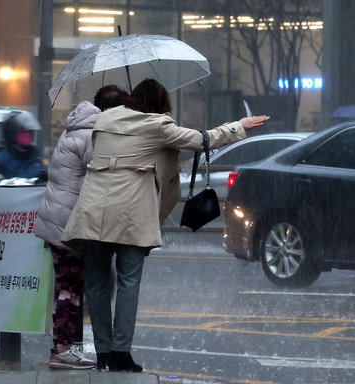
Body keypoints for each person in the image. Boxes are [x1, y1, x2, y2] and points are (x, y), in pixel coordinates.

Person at [61, 78, 268, 372]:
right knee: (128, 284)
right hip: (130, 215)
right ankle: (121, 352)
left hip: (93, 211)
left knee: (96, 285)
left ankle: (104, 353)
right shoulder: (158, 126)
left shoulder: (104, 120)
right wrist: (240, 125)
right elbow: (202, 140)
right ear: (162, 105)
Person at [34, 85, 128, 370]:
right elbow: (99, 173)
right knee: (69, 289)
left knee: (69, 286)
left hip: (58, 218)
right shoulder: (91, 135)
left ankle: (65, 348)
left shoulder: (74, 129)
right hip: (68, 223)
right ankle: (61, 350)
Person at [0, 110, 44, 182]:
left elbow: (42, 175)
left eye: (29, 133)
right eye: (23, 134)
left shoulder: (35, 154)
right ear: (11, 135)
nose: (28, 136)